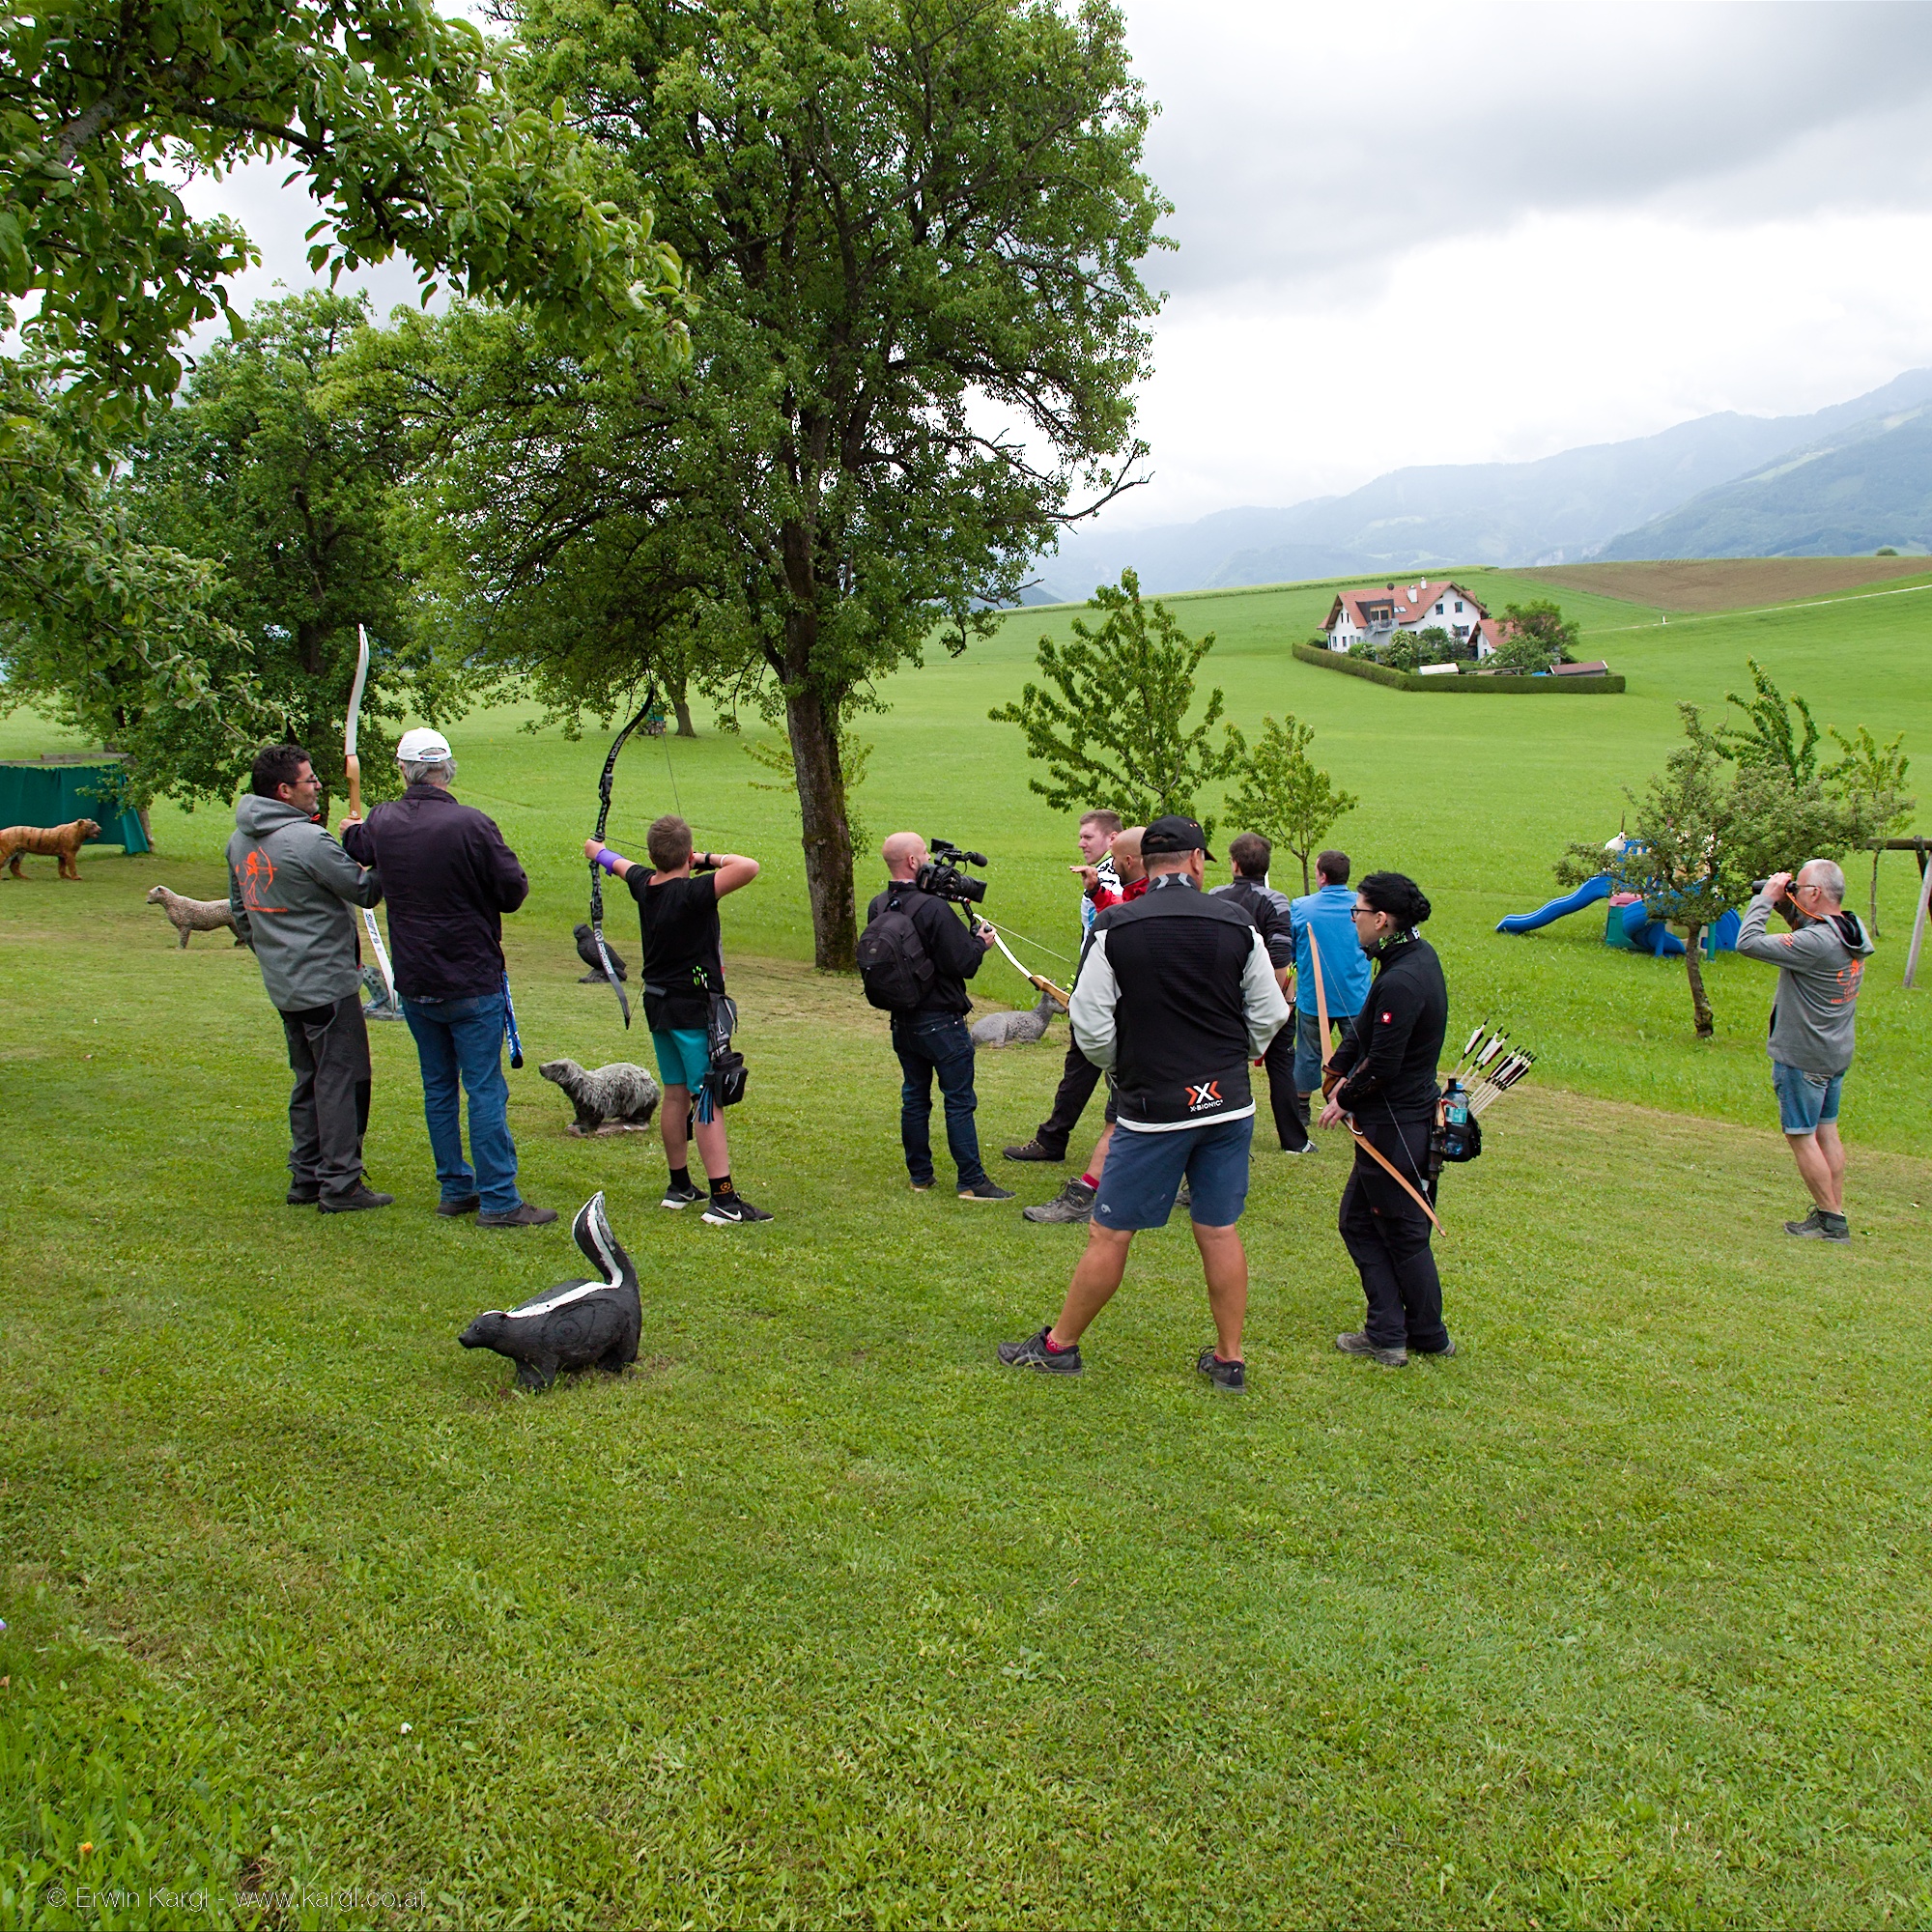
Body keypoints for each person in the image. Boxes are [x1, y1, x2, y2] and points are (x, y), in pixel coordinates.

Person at [999, 815, 1291, 1388]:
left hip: (1153, 1107)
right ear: (1198, 860)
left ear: (1145, 864)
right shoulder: (1238, 923)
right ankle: (1229, 1359)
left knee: (1110, 1233)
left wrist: (1122, 1067)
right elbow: (1270, 1012)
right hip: (1228, 1104)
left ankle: (1060, 1346)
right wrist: (1234, 1058)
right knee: (1219, 1229)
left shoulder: (1116, 925)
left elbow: (1089, 1022)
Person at [341, 728, 554, 1228]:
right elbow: (513, 892)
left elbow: (358, 842)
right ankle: (498, 1199)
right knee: (483, 1088)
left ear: (404, 770)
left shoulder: (383, 820)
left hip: (416, 977)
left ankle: (456, 1188)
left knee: (438, 1086)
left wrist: (352, 829)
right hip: (470, 976)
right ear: (448, 769)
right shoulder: (472, 824)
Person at [228, 742, 390, 1212]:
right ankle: (340, 1183)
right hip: (325, 983)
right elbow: (364, 890)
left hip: (285, 983)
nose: (317, 786)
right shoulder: (306, 840)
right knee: (343, 1079)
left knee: (309, 1077)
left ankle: (306, 1175)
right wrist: (385, 849)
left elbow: (240, 912)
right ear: (284, 790)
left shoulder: (240, 839)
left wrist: (275, 955)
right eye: (310, 779)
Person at [585, 813, 771, 1226]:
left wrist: (596, 850)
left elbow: (611, 859)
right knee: (707, 1096)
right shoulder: (693, 892)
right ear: (687, 855)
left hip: (659, 1006)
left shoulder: (644, 884)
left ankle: (680, 1185)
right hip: (692, 1008)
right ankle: (723, 1199)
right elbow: (748, 866)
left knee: (675, 1093)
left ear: (653, 856)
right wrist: (706, 858)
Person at [1320, 871, 1451, 1368]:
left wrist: (1345, 1097)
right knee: (1376, 1224)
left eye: (1357, 911)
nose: (1352, 919)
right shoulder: (1411, 957)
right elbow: (1365, 1031)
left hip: (1396, 1126)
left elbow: (1385, 1062)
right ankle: (1420, 1334)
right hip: (1402, 1121)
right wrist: (1335, 1070)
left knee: (1394, 1229)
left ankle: (1394, 1336)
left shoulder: (1403, 978)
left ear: (1380, 919)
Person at [866, 833, 1014, 1201]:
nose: (930, 860)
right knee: (959, 1099)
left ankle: (920, 1176)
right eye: (925, 854)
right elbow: (963, 963)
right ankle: (971, 1181)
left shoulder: (878, 905)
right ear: (913, 862)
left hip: (902, 1020)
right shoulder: (933, 909)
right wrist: (980, 942)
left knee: (915, 1097)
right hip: (942, 1021)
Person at [1735, 862, 1875, 1243]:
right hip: (1834, 1051)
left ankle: (1832, 1220)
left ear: (1814, 893)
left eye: (1800, 885)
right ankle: (1833, 1212)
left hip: (1803, 1056)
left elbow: (1747, 943)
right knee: (1826, 1131)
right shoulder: (1850, 929)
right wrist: (1787, 904)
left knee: (1801, 1135)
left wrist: (1766, 900)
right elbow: (1805, 934)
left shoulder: (1817, 943)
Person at [1020, 825, 1149, 1223]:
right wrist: (1096, 891)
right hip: (1120, 1013)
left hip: (1135, 1020)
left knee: (1125, 1110)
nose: (1083, 844)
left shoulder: (1151, 902)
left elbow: (1126, 922)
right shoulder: (1134, 897)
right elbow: (1120, 910)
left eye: (1115, 859)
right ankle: (1054, 1140)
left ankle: (1086, 1192)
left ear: (1128, 858)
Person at [1002, 808, 1122, 1166]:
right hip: (1098, 987)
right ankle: (1054, 1138)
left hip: (1109, 992)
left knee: (1105, 1066)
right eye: (1080, 836)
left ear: (1112, 839)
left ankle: (1069, 1139)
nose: (1081, 843)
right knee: (1084, 1063)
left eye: (1088, 836)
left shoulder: (1113, 878)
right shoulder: (1101, 876)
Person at [1212, 832, 1301, 1151]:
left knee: (1223, 1065)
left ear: (1234, 864)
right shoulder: (1275, 900)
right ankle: (1294, 1140)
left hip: (1223, 997)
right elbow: (1280, 957)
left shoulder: (1215, 896)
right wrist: (1283, 1001)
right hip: (1264, 995)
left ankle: (1220, 1130)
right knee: (1281, 1065)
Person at [1287, 849, 1374, 1152]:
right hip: (1354, 996)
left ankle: (1302, 1106)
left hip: (1315, 997)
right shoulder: (1361, 908)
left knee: (1308, 1052)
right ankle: (1354, 1103)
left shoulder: (1302, 907)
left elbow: (1291, 948)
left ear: (1322, 876)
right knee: (1359, 1055)